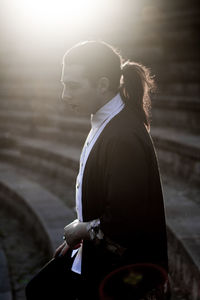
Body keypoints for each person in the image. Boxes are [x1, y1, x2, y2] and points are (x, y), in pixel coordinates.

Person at [26, 40, 168, 299]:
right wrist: (81, 231)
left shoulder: (123, 137)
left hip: (121, 273)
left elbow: (126, 221)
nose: (65, 95)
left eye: (73, 86)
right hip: (97, 256)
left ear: (102, 85)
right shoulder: (108, 121)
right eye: (63, 84)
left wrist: (83, 230)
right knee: (39, 289)